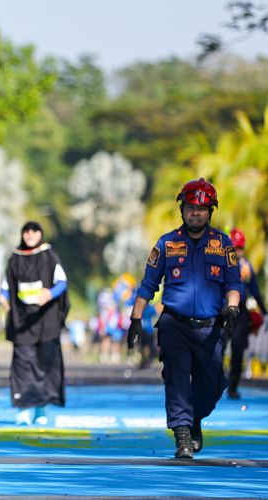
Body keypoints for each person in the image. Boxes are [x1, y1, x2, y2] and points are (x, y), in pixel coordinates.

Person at [127, 178, 240, 459]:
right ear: (182, 210)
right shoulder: (167, 243)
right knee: (176, 380)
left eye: (201, 209)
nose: (195, 214)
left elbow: (233, 283)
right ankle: (182, 437)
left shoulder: (223, 244)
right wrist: (136, 319)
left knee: (213, 384)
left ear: (210, 211)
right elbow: (148, 284)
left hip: (210, 329)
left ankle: (194, 419)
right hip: (174, 325)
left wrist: (232, 308)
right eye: (190, 208)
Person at [1, 221, 68, 426]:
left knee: (44, 363)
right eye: (26, 231)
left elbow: (62, 282)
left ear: (40, 234)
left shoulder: (49, 255)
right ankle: (23, 409)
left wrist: (50, 294)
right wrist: (3, 297)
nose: (30, 234)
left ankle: (40, 409)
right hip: (22, 321)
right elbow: (6, 286)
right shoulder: (15, 258)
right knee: (22, 365)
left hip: (46, 321)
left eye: (34, 231)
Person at [225, 228, 267, 399]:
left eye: (240, 248)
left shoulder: (247, 267)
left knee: (238, 351)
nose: (237, 251)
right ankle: (212, 384)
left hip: (240, 313)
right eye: (234, 248)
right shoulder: (219, 264)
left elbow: (255, 291)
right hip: (221, 311)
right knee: (215, 349)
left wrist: (264, 311)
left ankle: (232, 387)